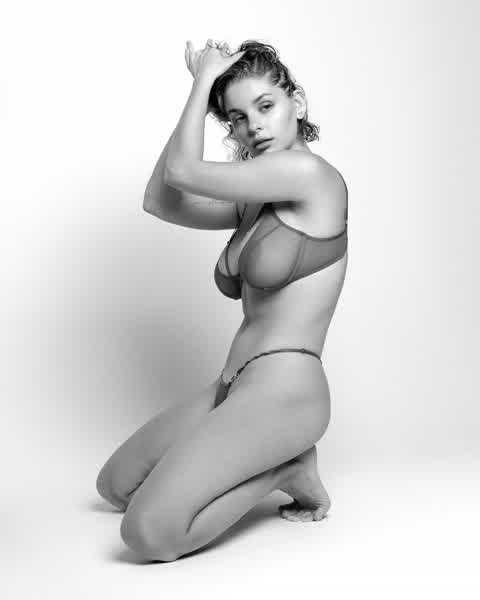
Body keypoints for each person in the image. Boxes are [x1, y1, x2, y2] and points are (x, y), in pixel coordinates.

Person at [96, 38, 348, 562]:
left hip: (286, 391)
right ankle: (283, 464)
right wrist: (202, 90)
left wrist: (202, 83)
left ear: (297, 103)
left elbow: (184, 172)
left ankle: (285, 470)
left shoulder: (310, 177)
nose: (254, 126)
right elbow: (160, 199)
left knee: (148, 534)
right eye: (237, 117)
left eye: (265, 106)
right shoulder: (253, 203)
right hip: (232, 384)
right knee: (116, 486)